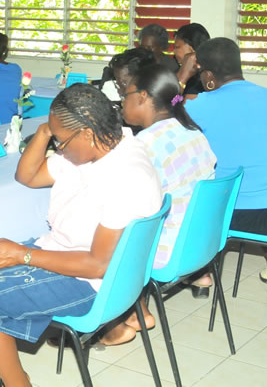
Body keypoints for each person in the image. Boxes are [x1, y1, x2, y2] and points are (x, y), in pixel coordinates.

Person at [0, 84, 163, 387]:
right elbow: (27, 176)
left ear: (87, 133)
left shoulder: (125, 175)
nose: (58, 148)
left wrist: (22, 255)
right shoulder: (94, 151)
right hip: (66, 253)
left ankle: (15, 382)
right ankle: (6, 370)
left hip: (93, 282)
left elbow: (98, 264)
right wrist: (44, 133)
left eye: (61, 141)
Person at [97, 64, 217, 346]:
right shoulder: (193, 132)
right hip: (199, 243)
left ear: (142, 97)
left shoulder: (145, 144)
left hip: (168, 249)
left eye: (123, 94)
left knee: (103, 228)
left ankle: (119, 318)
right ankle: (139, 307)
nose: (120, 101)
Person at [186, 38, 267, 294]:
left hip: (245, 215)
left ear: (208, 76)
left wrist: (181, 76)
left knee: (193, 194)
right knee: (258, 176)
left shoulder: (201, 106)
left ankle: (201, 274)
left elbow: (165, 110)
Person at [174, 23, 211, 101]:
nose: (174, 51)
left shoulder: (201, 81)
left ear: (192, 49)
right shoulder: (178, 72)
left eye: (177, 47)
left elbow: (171, 104)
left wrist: (182, 79)